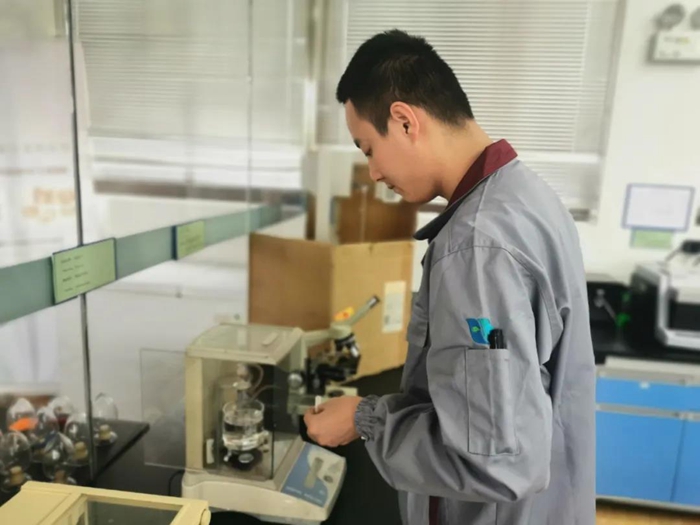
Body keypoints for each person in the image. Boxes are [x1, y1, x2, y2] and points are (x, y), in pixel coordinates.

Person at [304, 29, 595, 525]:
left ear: (404, 120)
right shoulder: (525, 195)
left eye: (368, 148)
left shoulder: (476, 247)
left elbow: (497, 461)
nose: (373, 173)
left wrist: (365, 419)